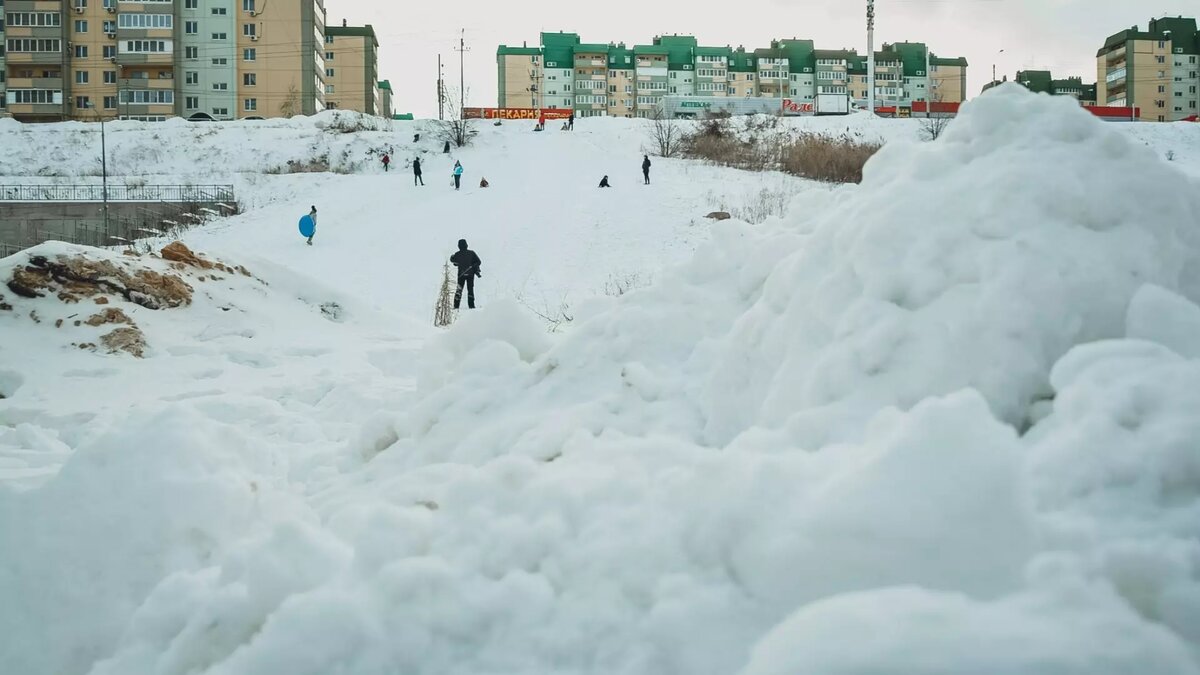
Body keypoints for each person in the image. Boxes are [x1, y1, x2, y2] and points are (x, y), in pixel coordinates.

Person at [450, 238, 482, 310]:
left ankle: (456, 306)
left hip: (461, 275)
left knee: (459, 290)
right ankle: (471, 306)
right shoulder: (471, 253)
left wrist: (452, 257)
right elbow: (479, 262)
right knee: (470, 290)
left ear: (459, 246)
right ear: (466, 245)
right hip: (470, 275)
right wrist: (474, 266)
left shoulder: (457, 254)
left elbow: (453, 262)